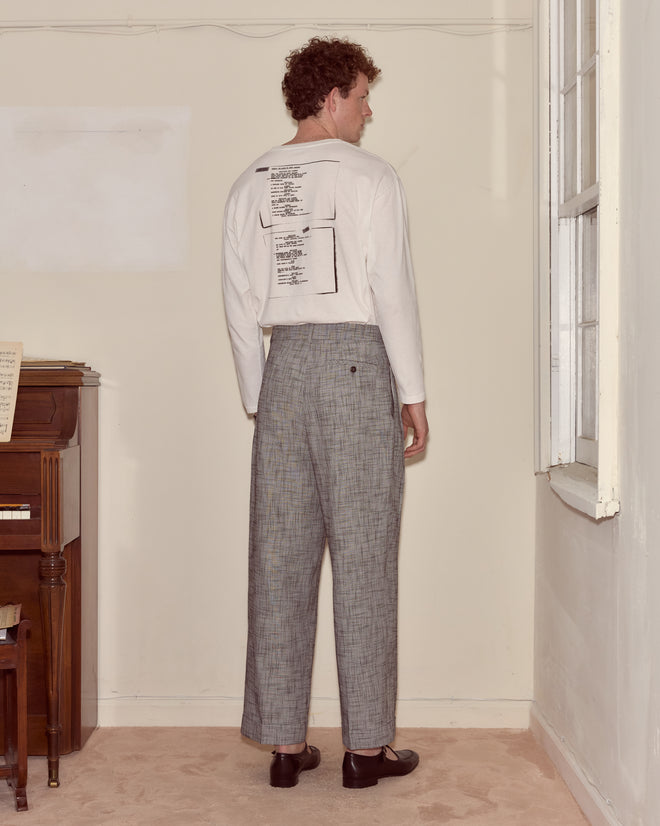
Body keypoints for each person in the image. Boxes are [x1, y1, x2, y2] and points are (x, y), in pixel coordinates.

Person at [222, 36, 429, 789]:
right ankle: (365, 750)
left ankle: (284, 747)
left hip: (285, 370)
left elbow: (239, 307)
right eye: (364, 95)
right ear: (332, 95)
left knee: (278, 559)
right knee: (366, 559)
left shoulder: (250, 181)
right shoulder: (371, 176)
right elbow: (392, 289)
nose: (370, 110)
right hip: (354, 362)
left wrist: (261, 395)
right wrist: (413, 391)